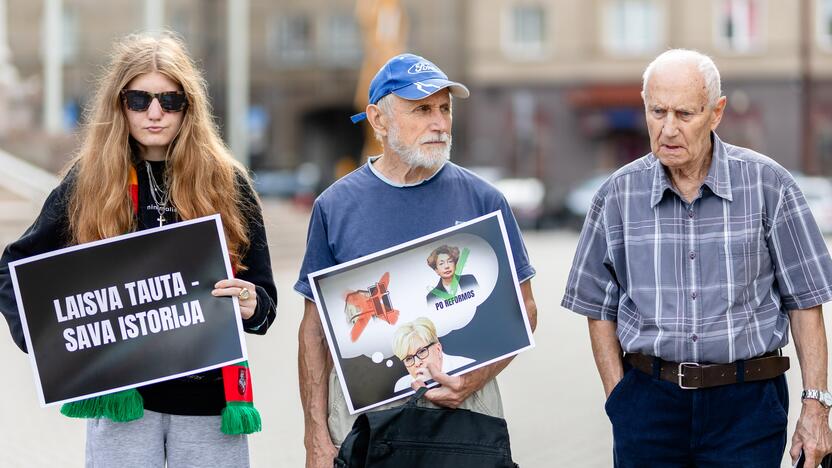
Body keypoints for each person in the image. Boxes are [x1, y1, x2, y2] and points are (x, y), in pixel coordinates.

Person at [0, 33, 277, 468]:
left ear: (189, 106)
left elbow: (265, 301)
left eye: (170, 100)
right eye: (139, 100)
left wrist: (249, 301)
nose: (154, 113)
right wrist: (47, 346)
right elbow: (13, 269)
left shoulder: (227, 182)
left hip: (209, 405)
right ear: (119, 104)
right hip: (125, 404)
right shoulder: (89, 182)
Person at [561, 48, 832, 467]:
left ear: (716, 112)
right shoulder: (617, 195)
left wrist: (815, 407)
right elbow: (597, 307)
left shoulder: (769, 185)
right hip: (648, 406)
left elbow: (806, 302)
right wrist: (620, 400)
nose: (668, 128)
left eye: (684, 114)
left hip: (747, 407)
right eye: (657, 112)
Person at [295, 53, 537, 468]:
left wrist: (472, 379)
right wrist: (315, 434)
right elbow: (314, 332)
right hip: (364, 418)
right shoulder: (335, 206)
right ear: (378, 119)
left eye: (445, 108)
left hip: (464, 413)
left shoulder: (483, 200)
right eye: (422, 109)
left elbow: (526, 309)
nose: (440, 122)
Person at [391, 317, 475, 392]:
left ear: (438, 349)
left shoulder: (469, 368)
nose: (417, 363)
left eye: (421, 351)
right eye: (408, 359)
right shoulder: (402, 386)